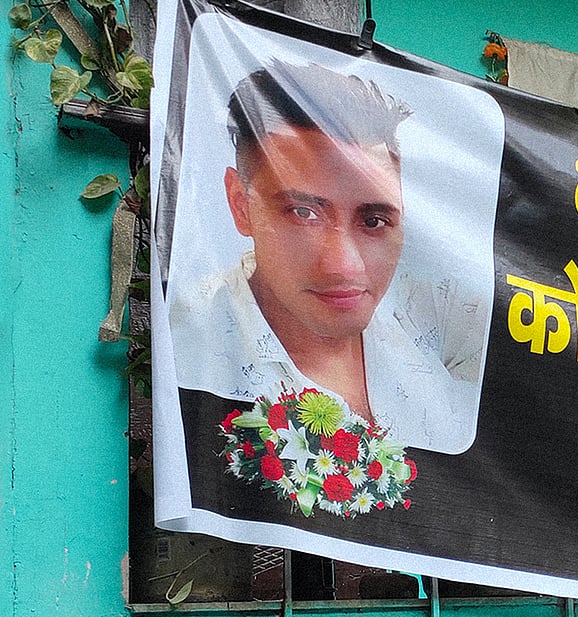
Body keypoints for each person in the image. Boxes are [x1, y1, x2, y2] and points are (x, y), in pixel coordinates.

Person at [169, 60, 483, 453]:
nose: (345, 266)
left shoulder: (434, 307)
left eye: (374, 220)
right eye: (304, 214)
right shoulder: (185, 339)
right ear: (240, 205)